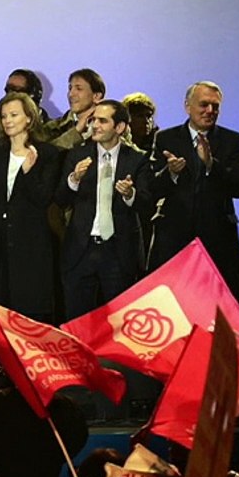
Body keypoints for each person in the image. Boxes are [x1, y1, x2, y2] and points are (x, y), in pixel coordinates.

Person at [55, 100, 153, 320]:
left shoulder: (138, 160)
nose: (95, 125)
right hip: (81, 249)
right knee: (78, 321)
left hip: (118, 252)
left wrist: (130, 194)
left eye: (102, 120)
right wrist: (74, 179)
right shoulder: (77, 155)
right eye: (93, 120)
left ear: (119, 127)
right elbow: (60, 199)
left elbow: (146, 204)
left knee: (120, 322)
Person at [148, 80, 239, 294]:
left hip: (218, 239)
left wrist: (212, 164)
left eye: (215, 106)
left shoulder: (233, 140)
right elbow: (152, 187)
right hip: (174, 238)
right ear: (187, 106)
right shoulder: (166, 138)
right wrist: (171, 173)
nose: (210, 111)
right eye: (204, 104)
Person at [0, 93, 60, 323]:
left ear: (29, 118)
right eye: (4, 116)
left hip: (30, 242)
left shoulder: (47, 154)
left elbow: (43, 198)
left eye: (14, 115)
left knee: (29, 309)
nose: (7, 120)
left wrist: (28, 173)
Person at [43, 68, 105, 151]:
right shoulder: (53, 127)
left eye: (79, 89)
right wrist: (76, 131)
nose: (71, 94)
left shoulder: (112, 124)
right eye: (70, 88)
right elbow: (45, 155)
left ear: (96, 96)